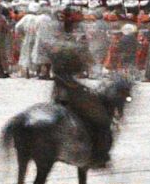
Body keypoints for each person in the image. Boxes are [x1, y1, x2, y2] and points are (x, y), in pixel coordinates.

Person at [47, 35, 117, 165]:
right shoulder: (76, 50)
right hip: (71, 92)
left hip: (58, 90)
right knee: (101, 118)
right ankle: (99, 155)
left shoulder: (55, 48)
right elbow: (81, 70)